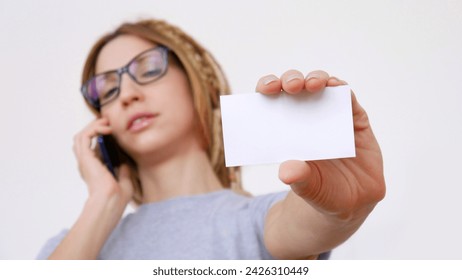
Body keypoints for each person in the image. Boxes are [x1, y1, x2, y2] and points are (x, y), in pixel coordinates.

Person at [37, 18, 385, 260]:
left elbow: (303, 222)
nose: (126, 93)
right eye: (107, 89)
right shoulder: (70, 246)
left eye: (147, 70)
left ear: (196, 83)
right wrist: (103, 200)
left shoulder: (254, 220)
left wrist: (340, 212)